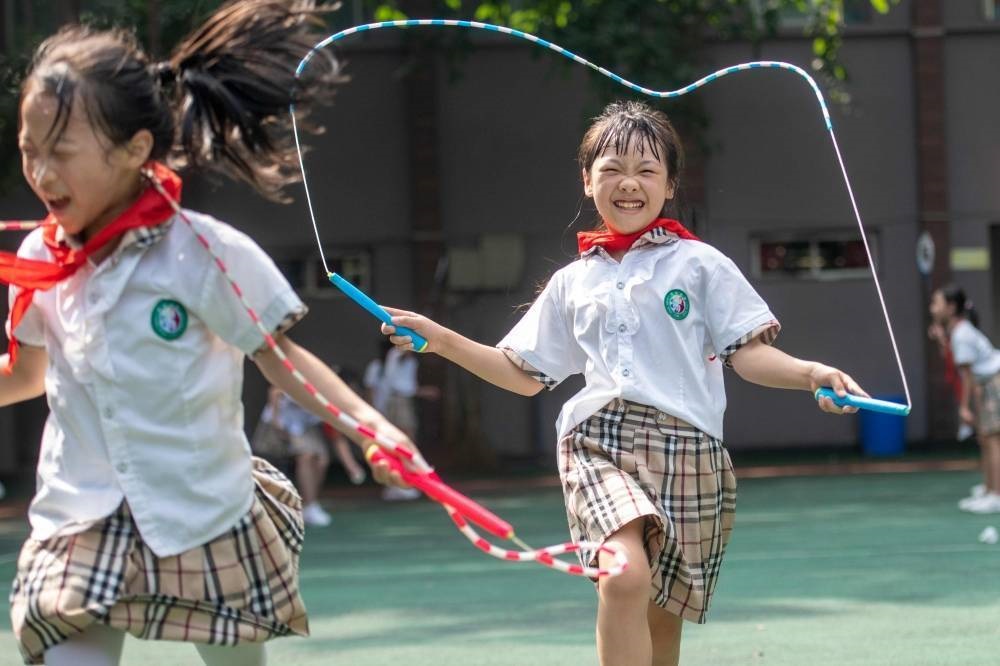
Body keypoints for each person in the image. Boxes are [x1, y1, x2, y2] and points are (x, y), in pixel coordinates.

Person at [379, 100, 868, 666]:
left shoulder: (701, 264)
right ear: (587, 181)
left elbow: (749, 354)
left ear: (670, 184)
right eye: (611, 169)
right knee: (623, 576)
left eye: (646, 170)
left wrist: (812, 374)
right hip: (597, 443)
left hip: (691, 450)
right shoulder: (571, 282)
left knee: (663, 624)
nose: (628, 183)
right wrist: (438, 338)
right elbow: (523, 374)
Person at [0, 3, 415, 664]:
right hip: (81, 514)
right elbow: (25, 374)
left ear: (136, 150)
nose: (42, 174)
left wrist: (371, 426)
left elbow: (279, 358)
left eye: (61, 153)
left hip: (201, 509)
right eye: (29, 152)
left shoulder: (202, 252)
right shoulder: (40, 261)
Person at [929, 284, 1000, 513]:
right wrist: (941, 340)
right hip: (986, 382)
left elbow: (967, 375)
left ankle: (995, 495)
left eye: (936, 304)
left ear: (950, 308)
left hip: (993, 382)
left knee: (992, 439)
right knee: (986, 437)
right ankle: (990, 489)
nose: (932, 309)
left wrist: (964, 408)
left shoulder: (961, 334)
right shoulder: (958, 332)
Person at [363, 339, 439, 500]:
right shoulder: (386, 361)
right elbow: (372, 390)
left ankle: (406, 482)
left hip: (403, 401)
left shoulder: (410, 363)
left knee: (406, 441)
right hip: (389, 404)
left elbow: (408, 387)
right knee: (394, 442)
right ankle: (394, 484)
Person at [255, 386, 335, 527]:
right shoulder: (292, 378)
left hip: (305, 425)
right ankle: (308, 506)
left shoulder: (322, 386)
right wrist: (276, 422)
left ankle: (310, 504)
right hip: (281, 425)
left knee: (322, 460)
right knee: (306, 457)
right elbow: (276, 391)